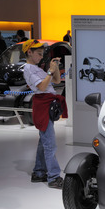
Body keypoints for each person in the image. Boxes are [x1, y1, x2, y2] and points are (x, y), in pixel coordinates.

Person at [22, 39, 67, 189]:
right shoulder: (28, 68)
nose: (41, 56)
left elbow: (56, 80)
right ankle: (53, 177)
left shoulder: (36, 68)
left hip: (47, 104)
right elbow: (41, 86)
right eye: (39, 54)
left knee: (44, 142)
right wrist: (49, 71)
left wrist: (54, 68)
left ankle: (39, 172)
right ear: (29, 52)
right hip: (42, 104)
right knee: (50, 144)